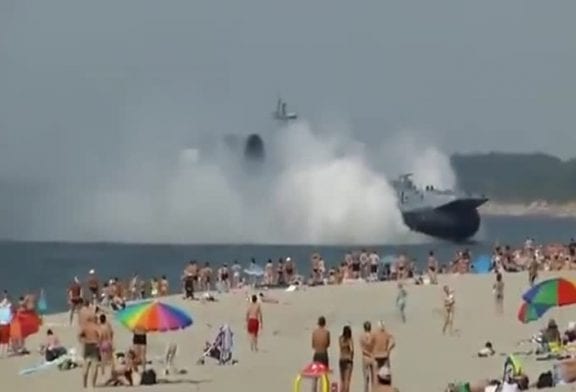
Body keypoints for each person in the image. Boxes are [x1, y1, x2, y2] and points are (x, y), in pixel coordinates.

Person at [78, 314, 101, 388]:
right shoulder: (96, 326)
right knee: (94, 365)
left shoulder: (85, 326)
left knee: (86, 364)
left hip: (87, 345)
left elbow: (79, 335)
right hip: (94, 345)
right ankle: (93, 384)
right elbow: (100, 335)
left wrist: (82, 341)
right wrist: (99, 342)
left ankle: (84, 384)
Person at [360, 321, 375, 392]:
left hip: (365, 357)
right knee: (374, 378)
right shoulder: (373, 336)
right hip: (372, 357)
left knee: (366, 379)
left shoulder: (362, 337)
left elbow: (362, 349)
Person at [339, 325, 354, 392]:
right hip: (348, 360)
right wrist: (351, 357)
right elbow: (352, 349)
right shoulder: (349, 340)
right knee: (347, 380)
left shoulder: (340, 339)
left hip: (341, 359)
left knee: (342, 380)